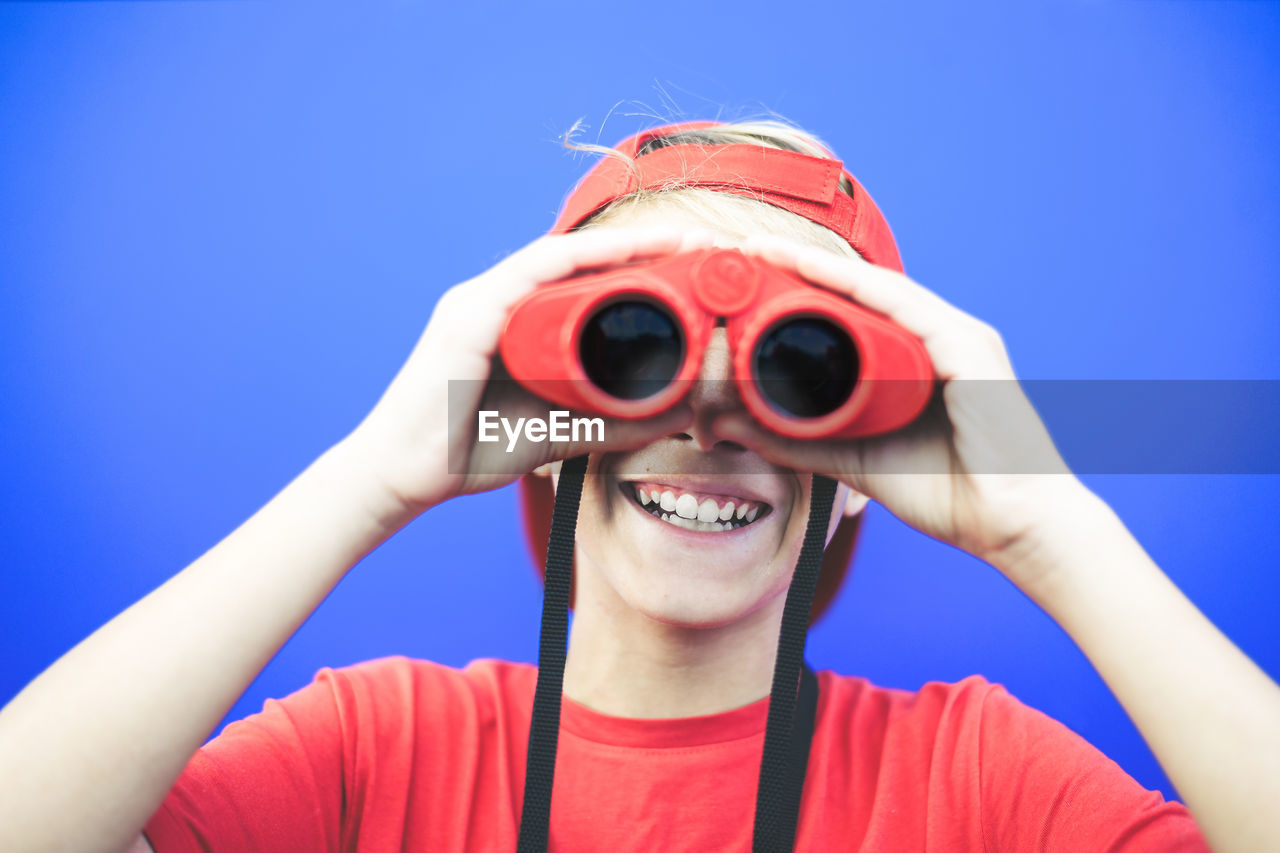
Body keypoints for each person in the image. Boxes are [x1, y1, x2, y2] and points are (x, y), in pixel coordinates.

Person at [1, 118, 1276, 853]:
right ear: (551, 417)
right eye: (633, 356)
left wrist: (1052, 528)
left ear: (856, 467)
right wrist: (372, 475)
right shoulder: (374, 752)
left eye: (799, 367)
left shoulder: (977, 781)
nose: (710, 422)